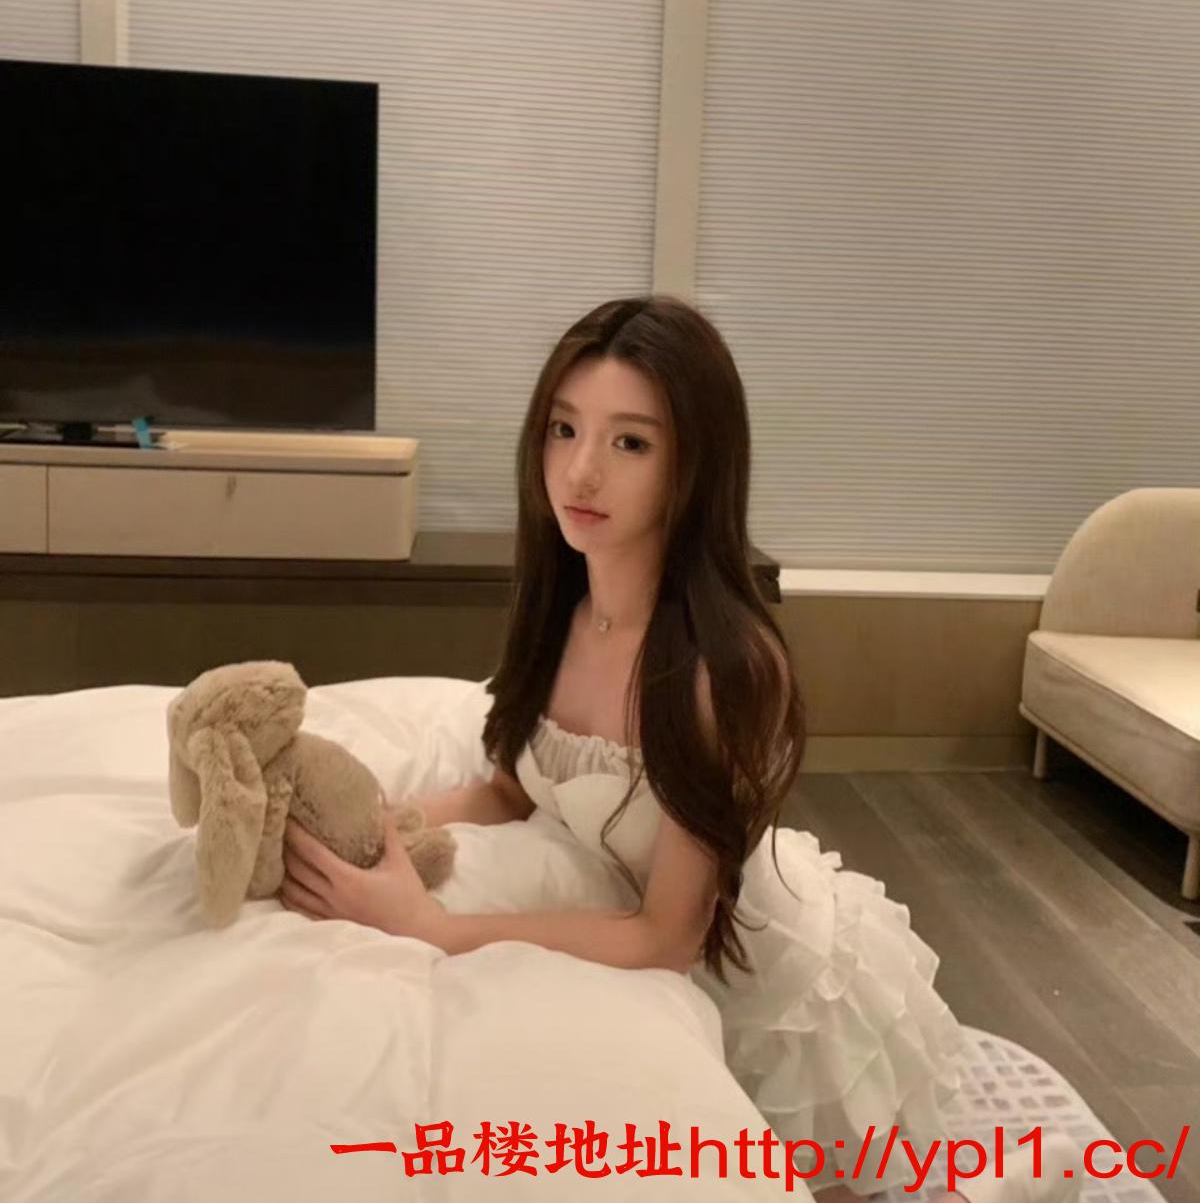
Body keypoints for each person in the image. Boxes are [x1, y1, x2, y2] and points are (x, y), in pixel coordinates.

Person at [281, 294, 1078, 1203]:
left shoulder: (722, 669)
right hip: (643, 946)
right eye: (564, 429)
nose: (581, 470)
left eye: (630, 442)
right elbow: (510, 792)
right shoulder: (563, 610)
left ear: (694, 465)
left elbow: (667, 937)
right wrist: (376, 829)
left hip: (760, 988)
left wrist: (435, 930)